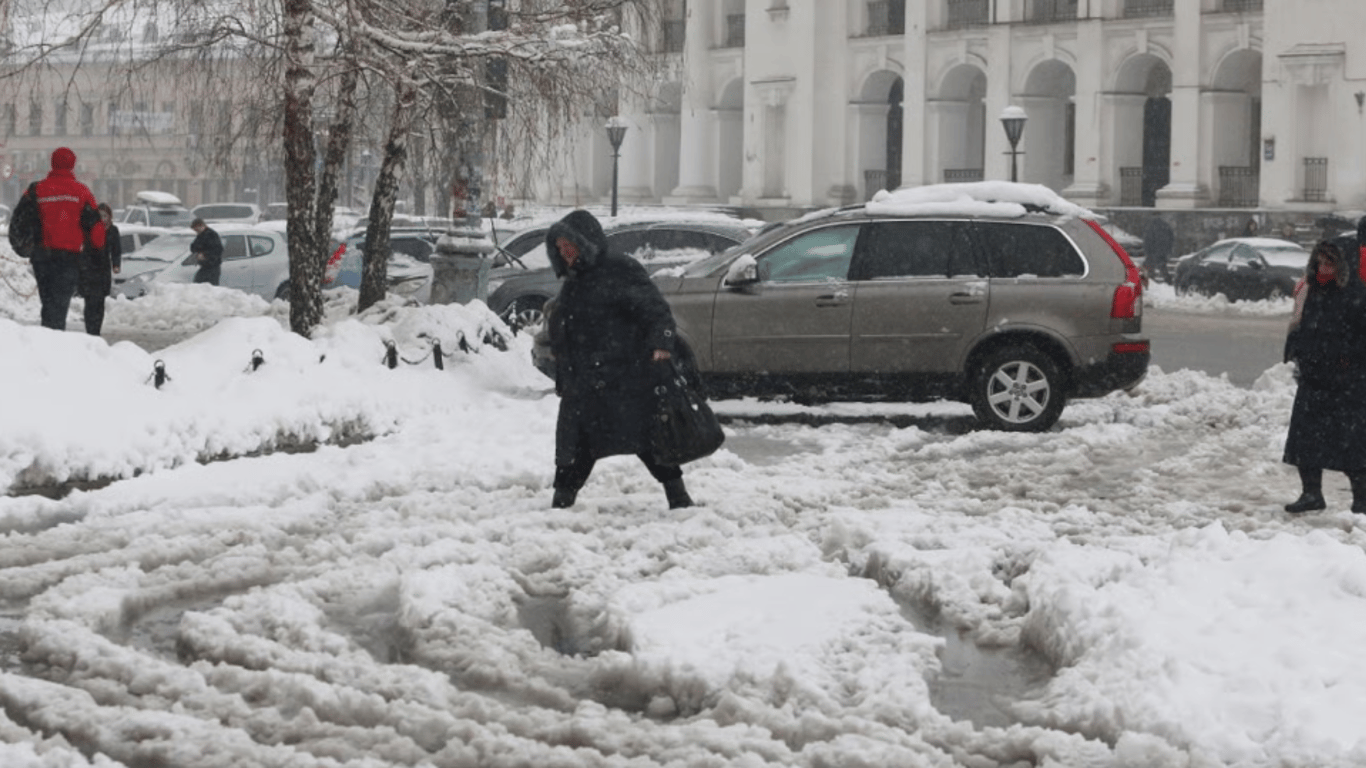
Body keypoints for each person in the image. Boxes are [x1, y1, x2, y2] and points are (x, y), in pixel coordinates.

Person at [545, 209, 694, 510]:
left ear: (585, 242)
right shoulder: (574, 279)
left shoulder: (619, 269)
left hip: (624, 378)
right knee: (575, 445)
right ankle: (561, 502)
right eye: (559, 248)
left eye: (568, 246)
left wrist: (661, 344)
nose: (564, 253)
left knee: (649, 440)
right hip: (585, 383)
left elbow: (655, 309)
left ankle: (678, 497)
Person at [1282, 238, 1366, 514]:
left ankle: (1362, 499)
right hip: (1314, 377)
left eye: (1329, 263)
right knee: (1305, 441)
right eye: (1320, 262)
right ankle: (1311, 493)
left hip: (1347, 382)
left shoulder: (1356, 294)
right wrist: (1299, 353)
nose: (1323, 268)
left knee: (1352, 445)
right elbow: (1301, 324)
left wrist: (1347, 360)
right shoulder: (1313, 290)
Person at [29, 147, 105, 331]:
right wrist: (95, 249)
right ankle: (55, 339)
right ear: (73, 164)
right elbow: (97, 231)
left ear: (52, 162)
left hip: (42, 256)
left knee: (47, 302)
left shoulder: (37, 189)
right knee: (60, 303)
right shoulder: (82, 192)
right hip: (68, 257)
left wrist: (26, 248)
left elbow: (20, 221)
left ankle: (46, 335)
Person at [77, 203, 121, 336]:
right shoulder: (89, 227)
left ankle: (96, 330)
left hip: (103, 270)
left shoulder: (113, 230)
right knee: (89, 302)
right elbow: (81, 246)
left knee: (100, 304)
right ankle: (90, 330)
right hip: (88, 269)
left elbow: (116, 250)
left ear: (109, 217)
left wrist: (116, 264)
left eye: (105, 216)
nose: (102, 218)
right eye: (100, 215)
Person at [189, 218, 223, 285]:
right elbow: (193, 246)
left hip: (212, 267)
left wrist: (204, 255)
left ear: (201, 226)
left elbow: (217, 250)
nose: (196, 231)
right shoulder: (201, 235)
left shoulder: (211, 235)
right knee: (198, 284)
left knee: (210, 287)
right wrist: (198, 253)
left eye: (196, 229)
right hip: (204, 266)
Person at [1141, 216, 1174, 283]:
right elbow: (1171, 239)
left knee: (1148, 267)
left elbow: (1147, 240)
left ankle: (1150, 280)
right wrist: (1168, 251)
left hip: (1152, 252)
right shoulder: (1165, 226)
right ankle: (1168, 280)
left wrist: (1147, 251)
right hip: (1162, 252)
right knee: (1162, 267)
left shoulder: (1150, 227)